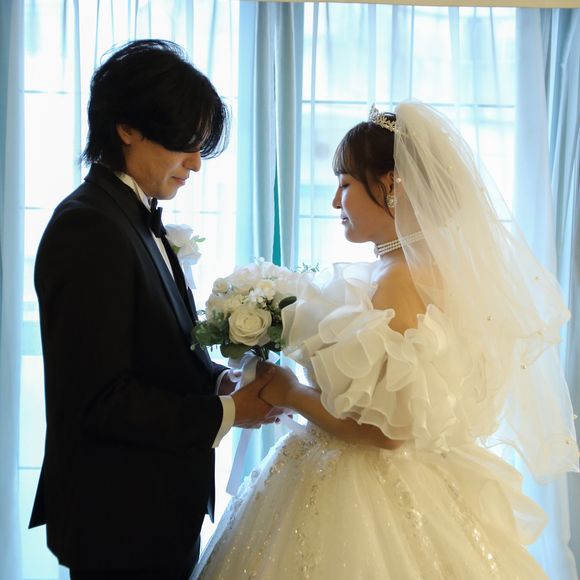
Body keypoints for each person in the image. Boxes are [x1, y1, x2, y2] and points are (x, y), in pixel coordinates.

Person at [193, 101, 579, 579]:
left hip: (365, 490)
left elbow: (389, 433)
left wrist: (290, 392)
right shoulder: (403, 270)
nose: (335, 202)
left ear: (392, 186)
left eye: (345, 184)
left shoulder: (398, 280)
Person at [28, 39, 279, 580]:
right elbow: (101, 398)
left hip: (156, 510)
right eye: (184, 144)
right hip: (119, 521)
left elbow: (153, 353)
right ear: (127, 127)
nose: (195, 164)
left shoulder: (133, 213)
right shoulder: (89, 226)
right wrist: (230, 413)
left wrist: (219, 381)